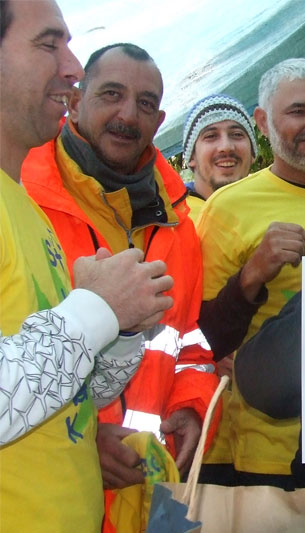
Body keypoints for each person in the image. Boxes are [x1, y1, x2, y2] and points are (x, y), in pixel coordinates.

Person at [20, 42, 221, 524]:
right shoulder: (23, 198)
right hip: (45, 497)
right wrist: (82, 440)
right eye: (112, 94)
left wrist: (192, 408)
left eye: (145, 103)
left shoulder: (179, 223)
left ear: (160, 119)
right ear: (75, 100)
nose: (128, 115)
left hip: (146, 497)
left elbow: (188, 341)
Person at [0, 2, 172, 529]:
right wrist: (96, 308)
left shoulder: (20, 202)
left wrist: (120, 329)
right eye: (49, 43)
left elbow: (74, 390)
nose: (73, 67)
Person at [197, 58, 305, 487]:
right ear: (262, 121)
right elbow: (199, 338)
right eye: (298, 111)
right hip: (269, 457)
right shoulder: (228, 207)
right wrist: (253, 274)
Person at [181, 93, 257, 222]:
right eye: (211, 136)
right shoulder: (170, 221)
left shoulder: (274, 208)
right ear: (191, 157)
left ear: (252, 153)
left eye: (237, 134)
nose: (226, 147)